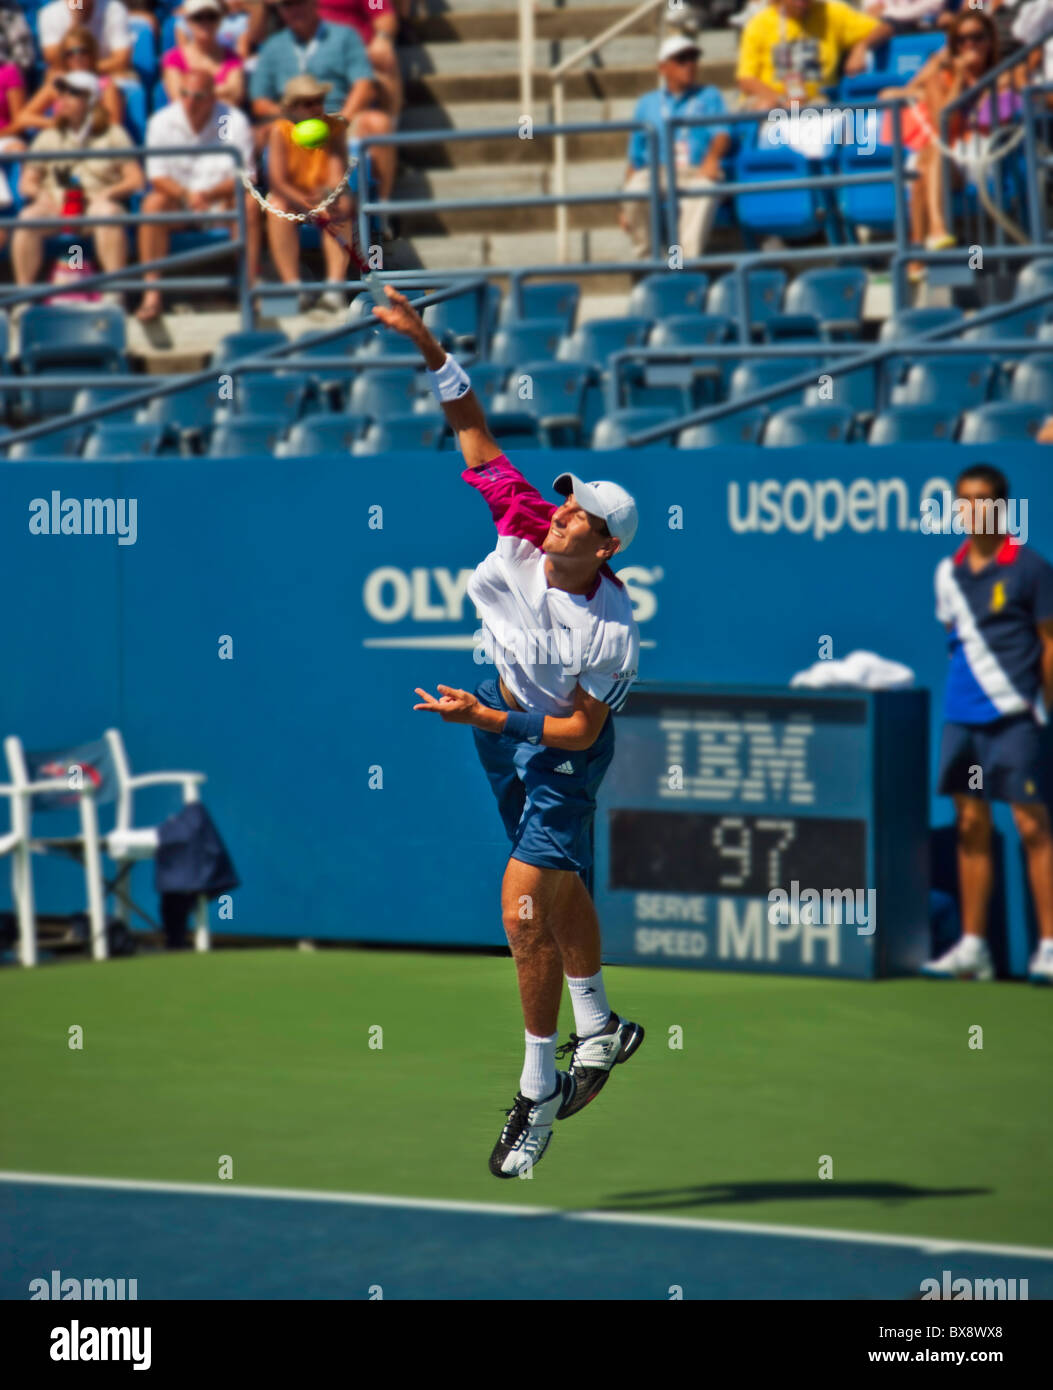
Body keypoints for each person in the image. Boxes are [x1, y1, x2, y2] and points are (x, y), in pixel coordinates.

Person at [369, 284, 645, 1179]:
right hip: (499, 727)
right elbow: (474, 432)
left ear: (603, 548)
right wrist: (425, 342)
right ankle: (599, 1025)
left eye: (579, 515)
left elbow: (574, 728)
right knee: (557, 893)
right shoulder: (526, 523)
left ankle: (533, 1096)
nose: (558, 512)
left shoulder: (610, 628)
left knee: (522, 909)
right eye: (563, 503)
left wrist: (487, 714)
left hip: (557, 747)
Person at [923, 464, 1053, 985]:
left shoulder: (1030, 568)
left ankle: (1048, 945)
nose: (971, 508)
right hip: (962, 719)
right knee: (971, 824)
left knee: (1031, 824)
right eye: (963, 499)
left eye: (981, 499)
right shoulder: (947, 572)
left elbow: (1048, 643)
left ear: (999, 506)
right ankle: (974, 946)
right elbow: (956, 641)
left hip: (1017, 716)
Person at [879, 10, 1009, 277]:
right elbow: (945, 124)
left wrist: (967, 79)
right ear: (954, 46)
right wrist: (957, 78)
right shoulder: (939, 77)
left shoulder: (1001, 76)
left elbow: (992, 115)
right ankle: (936, 231)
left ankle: (917, 254)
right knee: (926, 166)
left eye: (977, 37)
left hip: (979, 152)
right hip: (946, 151)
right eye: (961, 40)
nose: (969, 45)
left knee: (928, 160)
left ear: (989, 41)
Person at [136, 69, 259, 321]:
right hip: (179, 204)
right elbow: (156, 176)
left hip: (222, 203)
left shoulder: (231, 120)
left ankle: (249, 289)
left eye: (198, 96)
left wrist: (209, 195)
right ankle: (152, 295)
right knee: (152, 203)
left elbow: (247, 176)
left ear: (213, 97)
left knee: (248, 205)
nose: (190, 102)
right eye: (185, 94)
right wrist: (187, 196)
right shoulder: (162, 121)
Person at [250, 0, 396, 209]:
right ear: (280, 11)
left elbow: (364, 85)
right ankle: (255, 206)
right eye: (287, 5)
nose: (294, 9)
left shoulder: (345, 36)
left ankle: (381, 212)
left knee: (378, 123)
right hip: (290, 123)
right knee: (255, 133)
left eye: (299, 3)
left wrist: (342, 120)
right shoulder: (273, 47)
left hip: (338, 117)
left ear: (313, 4)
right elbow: (260, 102)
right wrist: (292, 115)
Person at [11, 72, 143, 291]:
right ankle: (23, 298)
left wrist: (108, 194)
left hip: (96, 206)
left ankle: (116, 294)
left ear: (90, 100)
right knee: (27, 218)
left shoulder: (113, 134)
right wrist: (40, 195)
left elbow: (136, 179)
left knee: (108, 213)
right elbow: (27, 182)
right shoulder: (48, 136)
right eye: (60, 92)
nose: (62, 98)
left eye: (72, 93)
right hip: (56, 207)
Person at [620, 34, 732, 260]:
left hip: (695, 169)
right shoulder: (647, 102)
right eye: (681, 59)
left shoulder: (709, 95)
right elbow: (635, 157)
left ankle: (683, 260)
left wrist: (712, 160)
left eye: (693, 58)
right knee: (634, 191)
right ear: (663, 68)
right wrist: (623, 205)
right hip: (657, 172)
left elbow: (722, 133)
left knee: (706, 187)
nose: (690, 64)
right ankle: (646, 260)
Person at [265, 73, 353, 308]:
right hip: (293, 195)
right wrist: (307, 205)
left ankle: (335, 289)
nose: (316, 107)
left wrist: (324, 200)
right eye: (308, 103)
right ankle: (293, 287)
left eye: (319, 101)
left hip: (325, 191)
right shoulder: (279, 131)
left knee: (341, 207)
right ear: (292, 107)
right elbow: (278, 181)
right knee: (276, 207)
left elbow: (336, 176)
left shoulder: (335, 128)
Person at [738, 0, 893, 107]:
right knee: (766, 106)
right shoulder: (758, 25)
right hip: (773, 101)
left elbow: (884, 28)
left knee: (821, 111)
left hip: (817, 102)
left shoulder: (831, 13)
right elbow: (746, 79)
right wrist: (782, 100)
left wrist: (861, 47)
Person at [7, 29, 126, 138]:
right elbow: (23, 117)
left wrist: (82, 126)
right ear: (64, 57)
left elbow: (113, 124)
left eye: (82, 51)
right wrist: (55, 124)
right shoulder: (56, 85)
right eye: (70, 53)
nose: (77, 57)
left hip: (96, 142)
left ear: (92, 53)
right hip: (63, 143)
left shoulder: (106, 85)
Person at [316, 0, 403, 116]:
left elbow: (382, 13)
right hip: (312, 48)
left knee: (383, 59)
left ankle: (387, 126)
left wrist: (383, 38)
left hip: (359, 52)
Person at [162, 0, 246, 107]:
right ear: (188, 21)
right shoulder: (173, 58)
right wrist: (223, 90)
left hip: (222, 121)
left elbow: (235, 98)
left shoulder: (233, 58)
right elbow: (179, 100)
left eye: (211, 17)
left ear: (220, 20)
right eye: (198, 17)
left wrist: (195, 94)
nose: (205, 22)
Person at [38, 0, 135, 77]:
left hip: (105, 75)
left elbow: (121, 60)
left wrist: (84, 70)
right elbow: (54, 59)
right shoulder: (49, 14)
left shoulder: (114, 9)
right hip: (68, 76)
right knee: (52, 77)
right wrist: (76, 21)